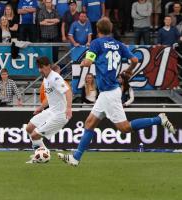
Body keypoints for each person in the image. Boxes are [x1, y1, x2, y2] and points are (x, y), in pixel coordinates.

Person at [58, 17, 175, 166]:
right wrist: (128, 72)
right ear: (110, 30)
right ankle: (76, 158)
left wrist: (82, 64)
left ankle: (159, 119)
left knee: (124, 128)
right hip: (109, 91)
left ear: (97, 30)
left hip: (109, 92)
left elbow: (87, 62)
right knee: (89, 124)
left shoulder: (96, 43)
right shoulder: (119, 44)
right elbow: (134, 60)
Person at [26, 56, 72, 163]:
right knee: (29, 128)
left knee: (34, 135)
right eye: (38, 67)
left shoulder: (55, 78)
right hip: (51, 111)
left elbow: (68, 92)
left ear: (48, 66)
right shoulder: (46, 78)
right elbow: (49, 96)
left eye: (41, 67)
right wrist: (41, 107)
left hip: (60, 114)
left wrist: (69, 108)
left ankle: (40, 157)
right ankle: (43, 153)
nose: (40, 70)